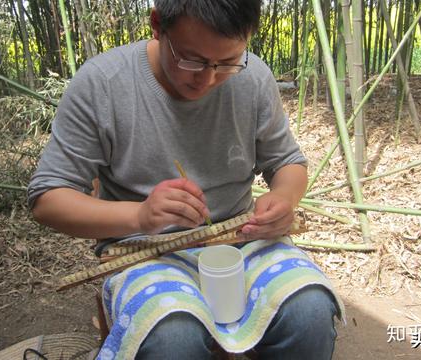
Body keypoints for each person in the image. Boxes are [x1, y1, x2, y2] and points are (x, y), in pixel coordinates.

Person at [28, 0, 344, 358]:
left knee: (310, 310)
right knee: (172, 337)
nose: (207, 79)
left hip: (239, 239)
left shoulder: (252, 77)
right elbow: (47, 198)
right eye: (191, 60)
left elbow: (287, 162)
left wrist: (285, 198)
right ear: (158, 25)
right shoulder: (103, 83)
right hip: (144, 251)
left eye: (227, 62)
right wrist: (140, 216)